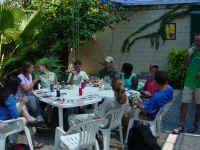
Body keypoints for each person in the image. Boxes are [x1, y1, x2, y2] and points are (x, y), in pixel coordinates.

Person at [0, 76, 44, 149]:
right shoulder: (9, 97)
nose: (19, 88)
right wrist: (22, 102)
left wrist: (17, 101)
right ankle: (33, 143)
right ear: (14, 86)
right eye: (18, 86)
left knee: (20, 106)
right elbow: (15, 116)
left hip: (1, 120)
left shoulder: (2, 92)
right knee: (27, 122)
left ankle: (29, 118)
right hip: (5, 125)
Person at [173, 35, 200, 134]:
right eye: (195, 40)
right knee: (184, 104)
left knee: (198, 106)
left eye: (198, 40)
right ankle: (181, 125)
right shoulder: (191, 51)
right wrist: (189, 55)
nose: (196, 42)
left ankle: (195, 125)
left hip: (199, 85)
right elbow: (187, 65)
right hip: (188, 82)